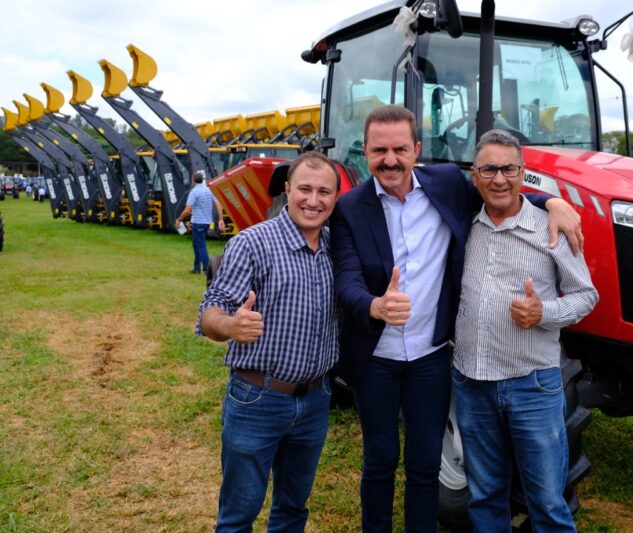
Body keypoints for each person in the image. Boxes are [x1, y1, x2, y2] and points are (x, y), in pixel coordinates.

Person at [329, 105, 583, 533]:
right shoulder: (349, 207)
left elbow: (499, 190)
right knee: (380, 459)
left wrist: (552, 201)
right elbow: (346, 276)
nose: (390, 160)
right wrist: (373, 306)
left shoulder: (446, 183)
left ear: (416, 149)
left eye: (399, 149)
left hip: (430, 357)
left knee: (426, 463)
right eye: (379, 150)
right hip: (376, 357)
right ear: (366, 151)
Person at [452, 130, 598, 532]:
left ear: (523, 173)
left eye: (508, 169)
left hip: (532, 386)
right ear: (475, 176)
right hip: (472, 384)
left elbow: (586, 295)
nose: (499, 179)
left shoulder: (550, 229)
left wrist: (543, 312)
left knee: (547, 503)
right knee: (484, 498)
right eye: (489, 170)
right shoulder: (464, 226)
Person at [196, 152, 340, 532]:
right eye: (305, 189)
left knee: (292, 508)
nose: (313, 200)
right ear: (287, 190)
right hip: (258, 398)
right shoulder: (253, 243)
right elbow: (210, 311)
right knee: (238, 514)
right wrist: (230, 325)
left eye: (324, 192)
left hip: (315, 399)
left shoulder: (337, 247)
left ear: (335, 198)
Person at [176, 171, 226, 274]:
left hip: (198, 222)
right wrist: (221, 219)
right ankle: (196, 267)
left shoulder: (194, 192)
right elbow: (218, 204)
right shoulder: (209, 190)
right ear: (203, 180)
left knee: (201, 245)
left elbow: (187, 209)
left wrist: (179, 219)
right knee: (196, 244)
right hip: (206, 222)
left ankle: (208, 269)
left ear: (193, 180)